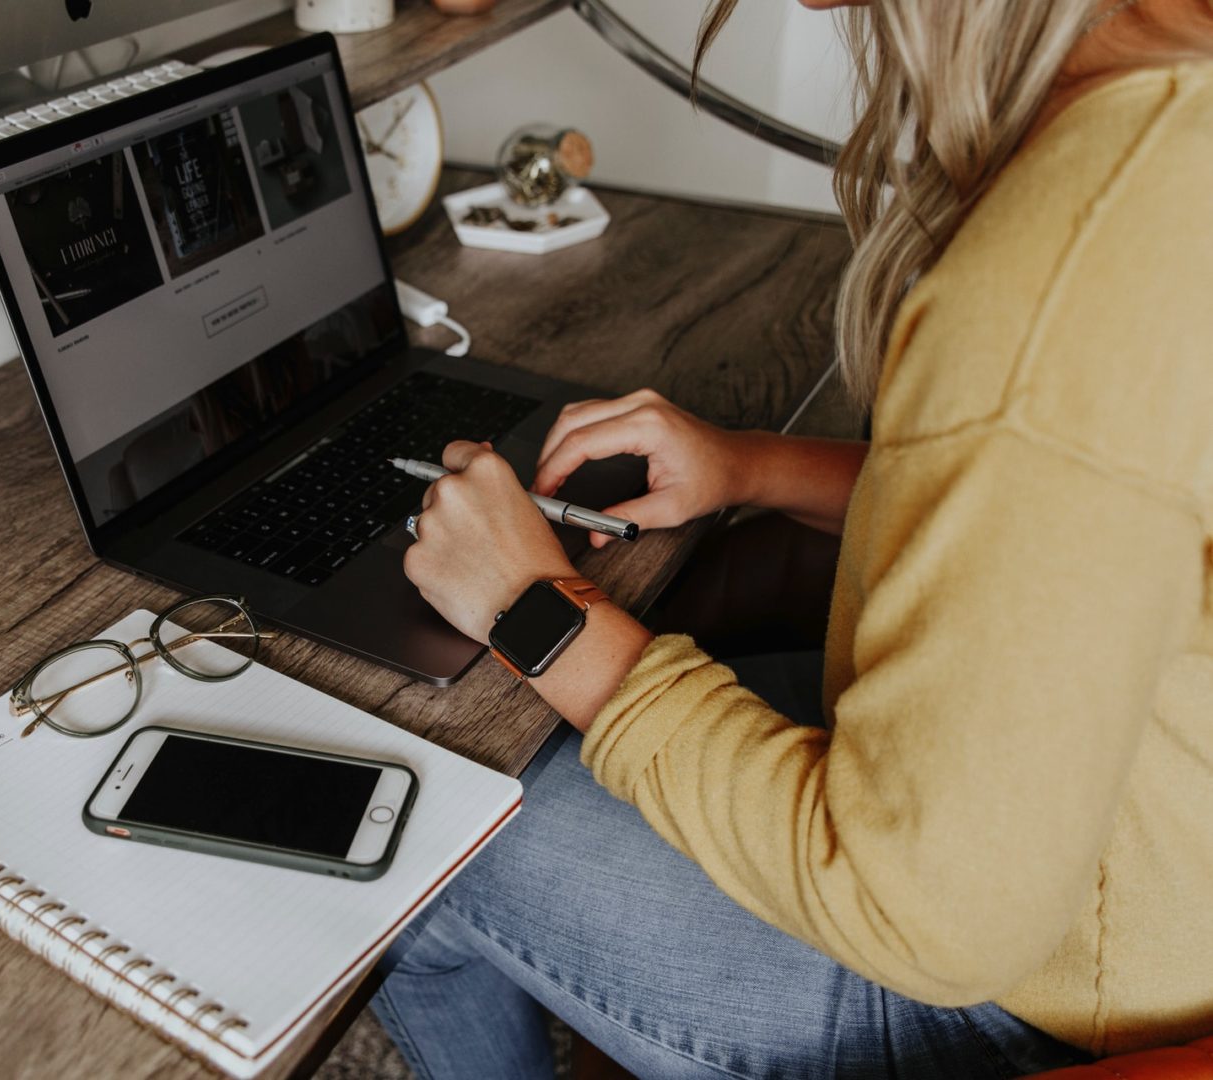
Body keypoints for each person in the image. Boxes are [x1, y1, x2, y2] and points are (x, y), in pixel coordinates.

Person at [376, 0, 1213, 1076]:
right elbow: (1067, 526)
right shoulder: (1169, 128)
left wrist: (533, 609)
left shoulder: (1064, 269)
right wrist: (750, 465)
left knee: (414, 813)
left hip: (1026, 1006)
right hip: (1151, 886)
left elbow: (924, 918)